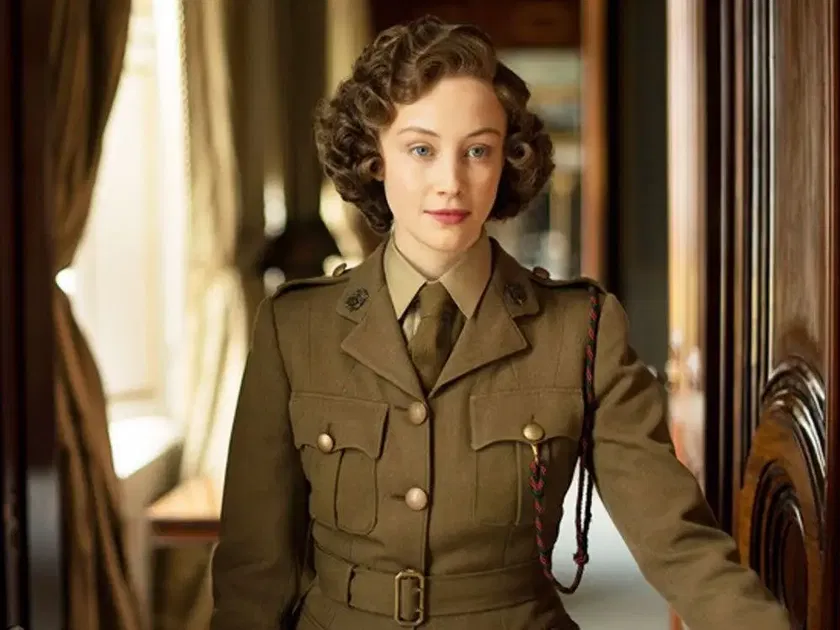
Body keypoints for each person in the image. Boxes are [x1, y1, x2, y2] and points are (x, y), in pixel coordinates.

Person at [209, 15, 792, 630]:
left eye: (478, 150)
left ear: (508, 161)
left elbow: (678, 544)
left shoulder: (582, 329)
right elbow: (254, 575)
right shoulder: (294, 327)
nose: (450, 183)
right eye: (421, 149)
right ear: (374, 157)